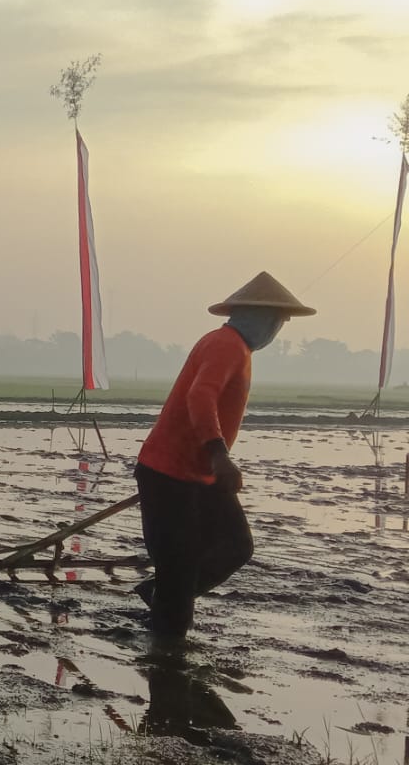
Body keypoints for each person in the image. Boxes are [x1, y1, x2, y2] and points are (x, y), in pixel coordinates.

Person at [132, 272, 315, 639]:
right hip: (169, 472)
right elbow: (200, 396)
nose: (277, 329)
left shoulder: (238, 350)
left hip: (199, 474)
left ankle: (164, 596)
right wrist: (219, 455)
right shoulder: (225, 344)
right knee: (178, 564)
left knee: (235, 546)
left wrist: (214, 463)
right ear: (255, 316)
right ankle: (167, 660)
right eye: (276, 320)